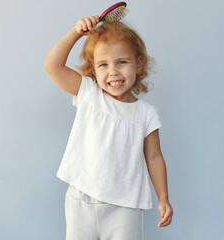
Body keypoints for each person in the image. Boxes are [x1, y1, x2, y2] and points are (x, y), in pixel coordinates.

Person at [44, 15, 173, 240]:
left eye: (121, 62)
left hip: (124, 207)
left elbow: (154, 158)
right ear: (93, 69)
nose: (113, 71)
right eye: (103, 64)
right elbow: (52, 65)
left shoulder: (146, 114)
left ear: (139, 62)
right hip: (81, 200)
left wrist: (163, 198)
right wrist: (76, 33)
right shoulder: (89, 94)